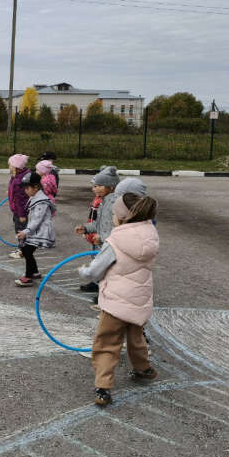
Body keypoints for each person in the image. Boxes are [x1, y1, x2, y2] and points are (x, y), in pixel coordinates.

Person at [77, 193, 160, 405]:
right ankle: (144, 369)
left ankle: (103, 388)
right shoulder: (150, 235)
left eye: (113, 214)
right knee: (136, 337)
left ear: (122, 217)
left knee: (107, 342)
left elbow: (95, 271)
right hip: (139, 299)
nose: (112, 217)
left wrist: (83, 271)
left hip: (117, 301)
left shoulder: (115, 241)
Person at [75, 166, 120, 305]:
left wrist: (102, 237)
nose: (95, 188)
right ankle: (101, 292)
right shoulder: (103, 201)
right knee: (102, 269)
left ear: (111, 187)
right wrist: (86, 228)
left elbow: (116, 229)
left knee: (109, 272)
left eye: (99, 185)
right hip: (102, 243)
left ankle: (106, 298)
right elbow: (98, 223)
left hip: (110, 245)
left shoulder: (115, 204)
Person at [14, 172, 57, 287]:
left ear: (35, 187)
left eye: (27, 188)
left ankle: (28, 277)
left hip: (41, 231)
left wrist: (26, 231)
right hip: (36, 230)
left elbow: (37, 219)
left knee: (27, 250)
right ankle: (35, 273)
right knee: (26, 250)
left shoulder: (41, 202)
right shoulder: (35, 198)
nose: (25, 191)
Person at [7, 154, 30, 259]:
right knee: (23, 228)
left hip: (20, 211)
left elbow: (22, 199)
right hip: (19, 210)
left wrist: (22, 215)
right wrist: (10, 192)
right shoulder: (19, 176)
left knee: (21, 230)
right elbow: (15, 190)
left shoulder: (18, 181)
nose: (9, 167)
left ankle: (22, 251)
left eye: (10, 165)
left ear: (15, 167)